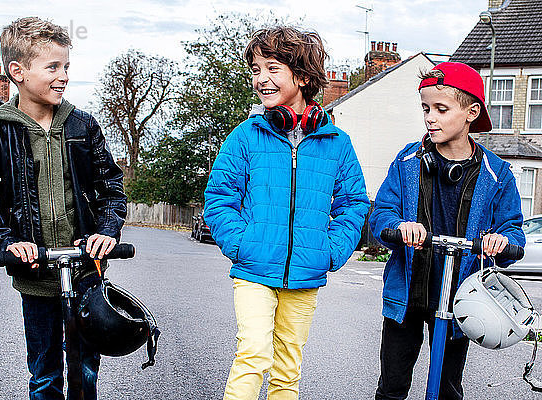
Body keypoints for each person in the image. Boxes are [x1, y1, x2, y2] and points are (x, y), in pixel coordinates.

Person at [204, 26, 370, 400]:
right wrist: (244, 244)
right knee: (253, 355)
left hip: (306, 274)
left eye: (272, 68)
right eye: (255, 69)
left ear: (304, 76)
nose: (260, 78)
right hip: (253, 269)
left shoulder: (337, 143)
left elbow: (354, 204)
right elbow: (218, 198)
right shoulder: (244, 136)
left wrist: (329, 251)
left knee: (287, 370)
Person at [0, 17, 126, 400]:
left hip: (86, 270)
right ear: (17, 72)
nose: (64, 76)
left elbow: (110, 188)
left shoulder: (83, 126)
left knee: (85, 372)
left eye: (66, 66)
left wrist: (106, 230)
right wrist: (6, 243)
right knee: (44, 373)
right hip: (35, 276)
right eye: (53, 67)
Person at [369, 62, 525, 400]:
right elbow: (382, 214)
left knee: (447, 388)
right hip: (407, 295)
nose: (430, 117)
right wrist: (399, 226)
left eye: (441, 108)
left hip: (460, 300)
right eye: (425, 108)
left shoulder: (497, 174)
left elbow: (513, 232)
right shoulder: (408, 161)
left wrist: (502, 241)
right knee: (392, 385)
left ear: (471, 112)